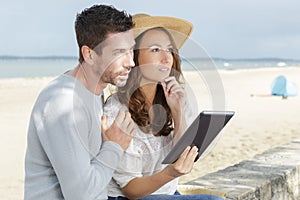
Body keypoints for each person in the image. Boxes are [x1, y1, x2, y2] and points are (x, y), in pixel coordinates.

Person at [104, 14, 223, 200]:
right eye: (155, 49)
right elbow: (130, 190)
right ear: (134, 56)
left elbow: (180, 156)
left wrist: (177, 112)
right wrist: (170, 174)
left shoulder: (175, 98)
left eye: (169, 50)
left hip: (166, 193)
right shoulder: (117, 110)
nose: (166, 58)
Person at [24, 5, 137, 200]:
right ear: (89, 54)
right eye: (119, 52)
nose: (131, 62)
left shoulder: (93, 92)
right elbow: (81, 195)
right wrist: (115, 146)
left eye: (131, 50)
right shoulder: (63, 103)